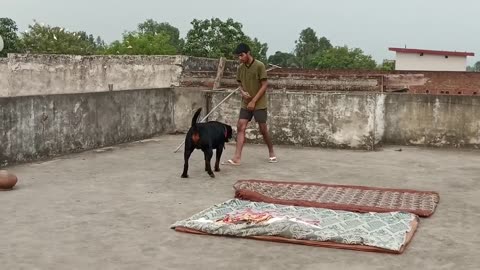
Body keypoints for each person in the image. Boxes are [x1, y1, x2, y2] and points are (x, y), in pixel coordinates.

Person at [225, 43, 277, 165]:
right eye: (238, 56)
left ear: (248, 53)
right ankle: (237, 157)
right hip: (246, 103)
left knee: (263, 129)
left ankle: (271, 151)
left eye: (241, 55)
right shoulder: (240, 68)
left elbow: (264, 85)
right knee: (240, 126)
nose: (240, 58)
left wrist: (254, 101)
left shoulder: (259, 66)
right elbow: (239, 84)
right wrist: (242, 92)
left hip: (259, 103)